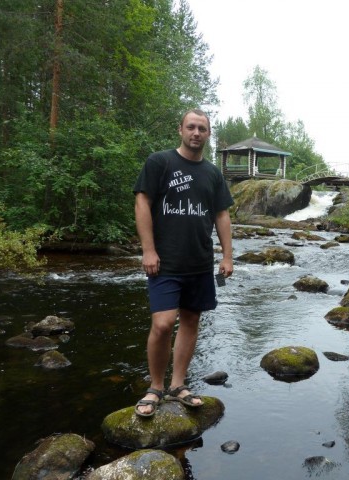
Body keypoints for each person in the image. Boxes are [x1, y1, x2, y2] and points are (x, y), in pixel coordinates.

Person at [132, 109, 234, 417]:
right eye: (191, 126)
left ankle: (178, 385)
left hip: (200, 262)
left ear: (208, 134)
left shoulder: (213, 173)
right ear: (180, 129)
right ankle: (155, 387)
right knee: (163, 324)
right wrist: (148, 250)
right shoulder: (160, 162)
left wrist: (227, 255)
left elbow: (222, 214)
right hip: (165, 262)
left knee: (191, 321)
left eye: (202, 128)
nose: (196, 132)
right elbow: (142, 202)